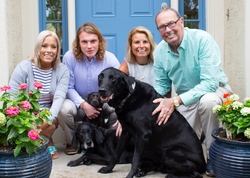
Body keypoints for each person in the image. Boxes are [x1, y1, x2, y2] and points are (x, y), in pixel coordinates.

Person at [152, 8, 233, 177]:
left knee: (208, 102)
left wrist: (174, 102)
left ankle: (213, 158)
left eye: (171, 24)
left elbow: (210, 84)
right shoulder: (159, 52)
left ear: (181, 22)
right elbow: (161, 87)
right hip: (186, 100)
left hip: (214, 91)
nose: (167, 30)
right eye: (162, 27)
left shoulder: (202, 39)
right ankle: (192, 162)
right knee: (181, 140)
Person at [58, 22, 120, 155]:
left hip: (104, 102)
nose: (89, 46)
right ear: (78, 43)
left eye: (93, 41)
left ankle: (109, 141)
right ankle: (72, 143)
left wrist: (111, 96)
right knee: (63, 109)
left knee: (119, 108)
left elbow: (120, 85)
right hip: (78, 103)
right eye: (84, 42)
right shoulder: (69, 57)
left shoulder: (110, 59)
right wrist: (84, 104)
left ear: (100, 41)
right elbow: (68, 87)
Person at [9, 30, 70, 159]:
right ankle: (48, 143)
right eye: (44, 46)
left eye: (53, 47)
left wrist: (46, 118)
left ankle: (41, 141)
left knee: (50, 122)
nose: (49, 50)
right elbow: (12, 96)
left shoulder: (62, 71)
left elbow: (59, 97)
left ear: (58, 50)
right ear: (38, 47)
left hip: (47, 113)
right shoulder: (23, 68)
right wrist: (28, 116)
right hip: (26, 111)